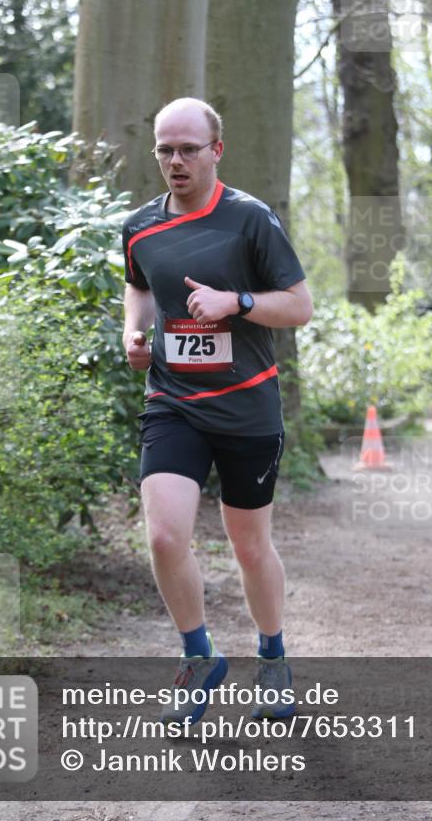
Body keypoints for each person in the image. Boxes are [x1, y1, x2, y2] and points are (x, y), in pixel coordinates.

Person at [121, 97, 312, 724]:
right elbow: (140, 283)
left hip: (247, 408)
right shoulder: (139, 226)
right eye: (165, 150)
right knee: (164, 534)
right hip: (173, 403)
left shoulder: (251, 219)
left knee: (250, 547)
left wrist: (237, 301)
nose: (175, 161)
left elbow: (299, 306)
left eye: (188, 149)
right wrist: (134, 331)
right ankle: (199, 657)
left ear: (216, 151)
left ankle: (274, 657)